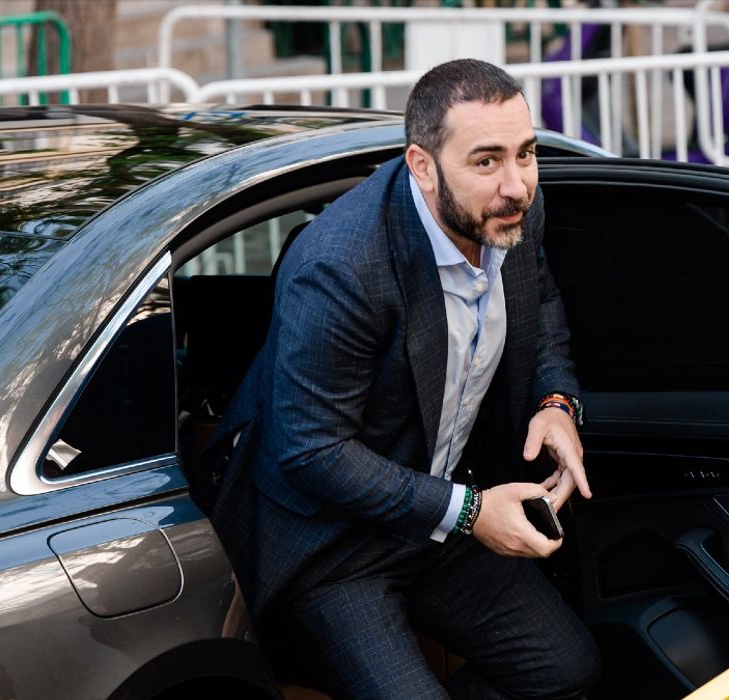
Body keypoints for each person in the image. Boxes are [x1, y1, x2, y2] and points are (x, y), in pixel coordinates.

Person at [208, 58, 602, 699]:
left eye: (526, 154)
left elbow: (543, 308)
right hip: (333, 543)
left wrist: (556, 402)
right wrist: (472, 512)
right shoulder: (340, 266)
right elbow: (310, 450)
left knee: (567, 670)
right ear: (422, 165)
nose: (516, 184)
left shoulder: (511, 211)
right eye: (486, 160)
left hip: (438, 517)